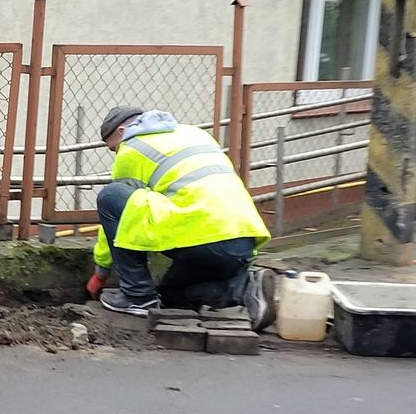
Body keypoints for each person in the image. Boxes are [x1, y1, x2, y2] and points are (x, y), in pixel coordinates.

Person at [85, 106, 276, 330]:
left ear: (121, 130)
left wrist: (101, 272)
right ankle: (242, 288)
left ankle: (137, 296)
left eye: (113, 148)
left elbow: (120, 217)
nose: (116, 153)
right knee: (170, 296)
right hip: (242, 239)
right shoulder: (193, 133)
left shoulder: (132, 149)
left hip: (203, 237)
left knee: (110, 195)